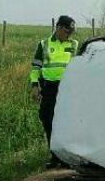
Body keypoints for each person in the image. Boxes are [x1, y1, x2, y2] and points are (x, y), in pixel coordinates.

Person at [29, 15, 79, 168]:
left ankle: (67, 157)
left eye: (71, 32)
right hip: (49, 88)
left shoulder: (74, 44)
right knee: (47, 119)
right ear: (58, 28)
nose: (68, 34)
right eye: (66, 31)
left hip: (67, 88)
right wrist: (34, 85)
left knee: (66, 122)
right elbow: (36, 66)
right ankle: (55, 156)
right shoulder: (44, 44)